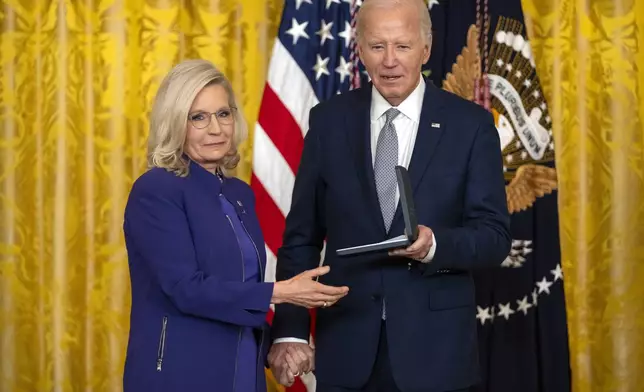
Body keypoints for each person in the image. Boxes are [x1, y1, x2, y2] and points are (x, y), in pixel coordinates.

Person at [267, 0, 512, 391]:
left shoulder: (471, 126)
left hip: (436, 355)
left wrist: (434, 244)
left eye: (402, 46)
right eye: (377, 46)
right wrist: (291, 332)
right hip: (346, 346)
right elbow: (301, 238)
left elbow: (494, 237)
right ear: (360, 49)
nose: (389, 61)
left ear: (425, 49)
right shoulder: (328, 121)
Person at [122, 59, 348, 392]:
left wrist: (275, 349)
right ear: (174, 123)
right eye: (198, 117)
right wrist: (282, 292)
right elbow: (187, 289)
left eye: (223, 114)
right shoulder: (156, 189)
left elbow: (237, 293)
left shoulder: (238, 193)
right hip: (180, 374)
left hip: (243, 368)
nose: (216, 129)